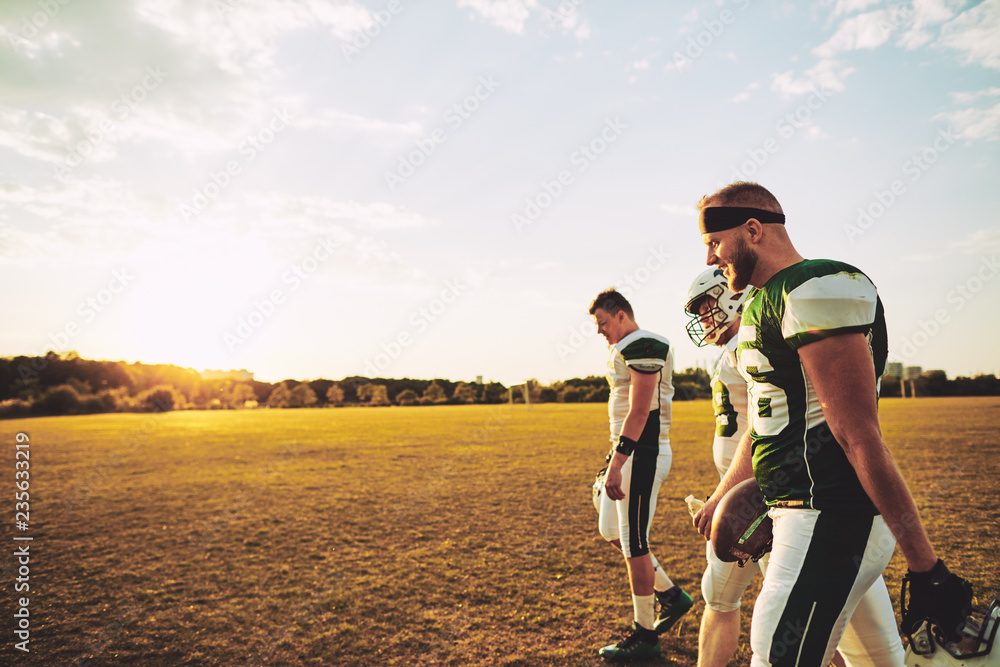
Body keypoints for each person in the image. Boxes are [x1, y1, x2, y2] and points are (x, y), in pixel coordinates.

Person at [691, 181, 973, 667]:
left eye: (715, 243)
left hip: (830, 512)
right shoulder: (762, 304)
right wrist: (722, 495)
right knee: (878, 660)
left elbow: (856, 433)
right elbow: (765, 424)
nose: (713, 259)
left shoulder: (818, 285)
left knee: (775, 653)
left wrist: (926, 566)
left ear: (753, 229)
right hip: (799, 511)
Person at [685, 268, 905, 667]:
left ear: (732, 297)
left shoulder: (752, 342)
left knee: (749, 609)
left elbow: (766, 430)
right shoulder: (737, 346)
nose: (705, 319)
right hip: (772, 499)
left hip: (775, 500)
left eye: (707, 308)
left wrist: (724, 494)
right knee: (846, 628)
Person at [589, 288, 693, 661]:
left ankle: (645, 635)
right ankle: (670, 595)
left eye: (602, 322)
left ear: (620, 314)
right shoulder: (626, 346)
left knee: (633, 541)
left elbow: (641, 412)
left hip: (641, 455)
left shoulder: (644, 343)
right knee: (611, 531)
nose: (600, 330)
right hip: (629, 452)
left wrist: (619, 462)